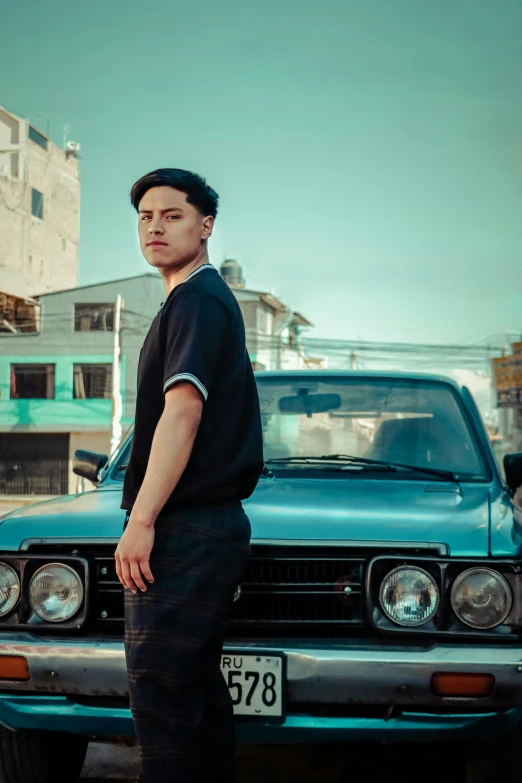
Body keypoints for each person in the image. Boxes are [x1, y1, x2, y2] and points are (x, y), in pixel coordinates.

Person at [115, 168, 263, 783]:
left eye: (172, 215)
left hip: (188, 524)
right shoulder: (189, 299)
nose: (155, 225)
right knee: (193, 698)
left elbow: (183, 411)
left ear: (206, 227)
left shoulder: (199, 299)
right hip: (205, 524)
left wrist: (143, 519)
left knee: (162, 699)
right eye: (146, 216)